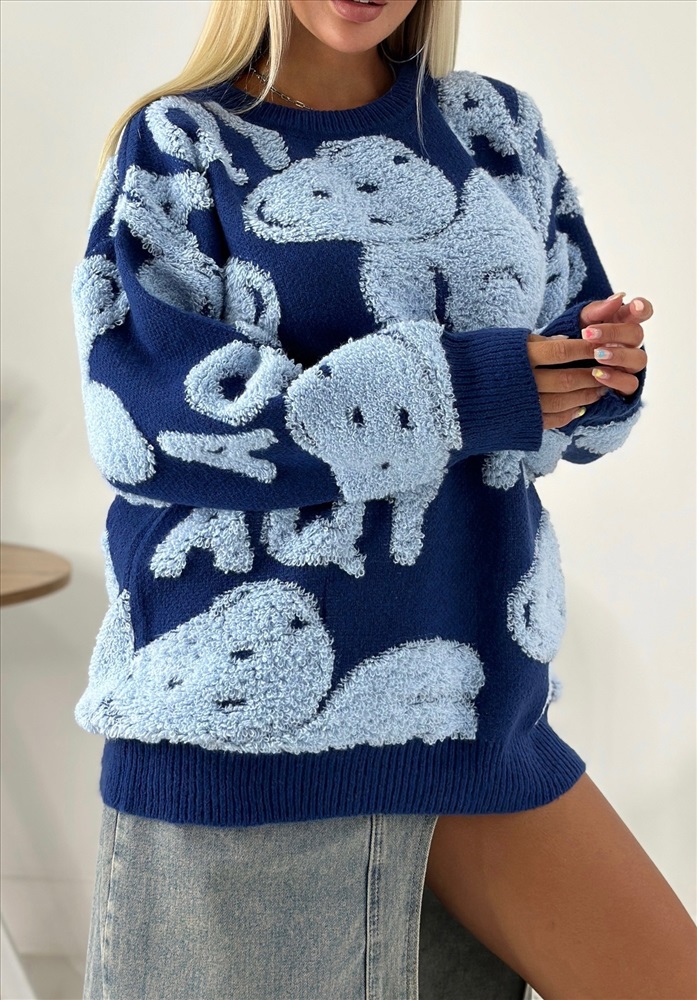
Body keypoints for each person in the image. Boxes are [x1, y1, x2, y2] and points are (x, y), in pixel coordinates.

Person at [72, 1, 696, 997]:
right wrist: (465, 389)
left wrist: (599, 371)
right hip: (245, 744)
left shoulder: (494, 128)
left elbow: (549, 392)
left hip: (467, 709)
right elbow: (146, 423)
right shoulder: (184, 140)